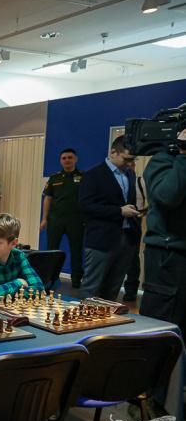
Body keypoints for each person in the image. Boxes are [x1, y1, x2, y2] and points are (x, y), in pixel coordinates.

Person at [78, 136, 141, 300]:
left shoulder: (130, 174)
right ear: (113, 152)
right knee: (91, 289)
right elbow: (85, 206)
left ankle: (107, 317)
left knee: (113, 290)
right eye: (126, 159)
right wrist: (119, 211)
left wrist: (133, 212)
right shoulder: (93, 175)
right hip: (101, 240)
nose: (129, 163)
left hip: (127, 239)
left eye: (132, 160)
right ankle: (85, 317)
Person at [140, 125, 186, 331]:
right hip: (168, 256)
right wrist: (184, 155)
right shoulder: (163, 160)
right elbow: (168, 196)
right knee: (162, 327)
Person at [39, 148, 84, 288]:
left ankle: (76, 280)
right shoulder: (54, 178)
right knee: (52, 251)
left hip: (76, 221)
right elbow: (47, 199)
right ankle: (50, 279)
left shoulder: (84, 177)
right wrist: (44, 219)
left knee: (76, 251)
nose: (67, 160)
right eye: (64, 158)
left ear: (75, 159)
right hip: (55, 220)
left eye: (70, 157)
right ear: (60, 161)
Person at [123, 163, 147, 302]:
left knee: (132, 258)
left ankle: (131, 291)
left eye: (129, 165)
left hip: (134, 221)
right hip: (116, 220)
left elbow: (150, 201)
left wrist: (141, 212)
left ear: (134, 166)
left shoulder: (140, 181)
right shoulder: (114, 181)